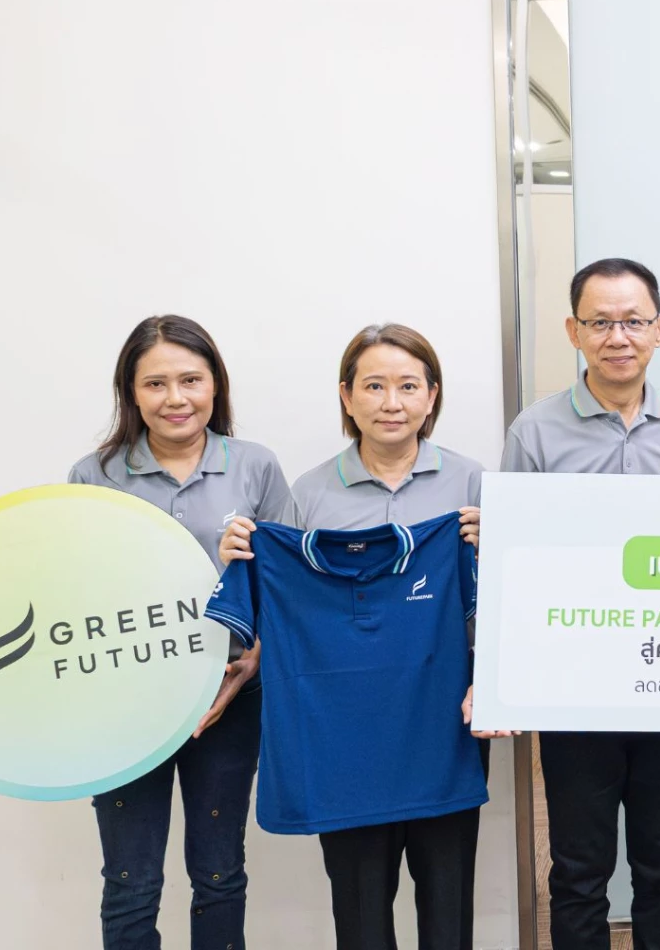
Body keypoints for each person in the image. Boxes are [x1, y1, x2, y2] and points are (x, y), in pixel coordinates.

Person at [0, 315, 290, 950]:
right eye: (155, 383)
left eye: (191, 380)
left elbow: (288, 588)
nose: (175, 398)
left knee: (218, 874)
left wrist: (255, 659)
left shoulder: (256, 467)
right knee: (131, 882)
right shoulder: (95, 475)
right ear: (131, 392)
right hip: (121, 708)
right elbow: (55, 593)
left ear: (216, 384)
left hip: (228, 702)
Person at [218, 322, 510, 950]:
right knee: (359, 913)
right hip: (342, 735)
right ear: (346, 396)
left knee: (448, 906)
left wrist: (500, 550)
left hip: (443, 720)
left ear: (432, 396)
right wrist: (242, 557)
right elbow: (283, 609)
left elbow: (514, 603)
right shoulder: (309, 492)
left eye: (409, 385)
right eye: (374, 386)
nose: (391, 402)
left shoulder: (474, 484)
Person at [501, 257, 660, 950]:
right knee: (579, 869)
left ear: (659, 330)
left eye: (634, 321)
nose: (618, 337)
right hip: (574, 684)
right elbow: (513, 563)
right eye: (601, 322)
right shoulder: (533, 431)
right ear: (573, 331)